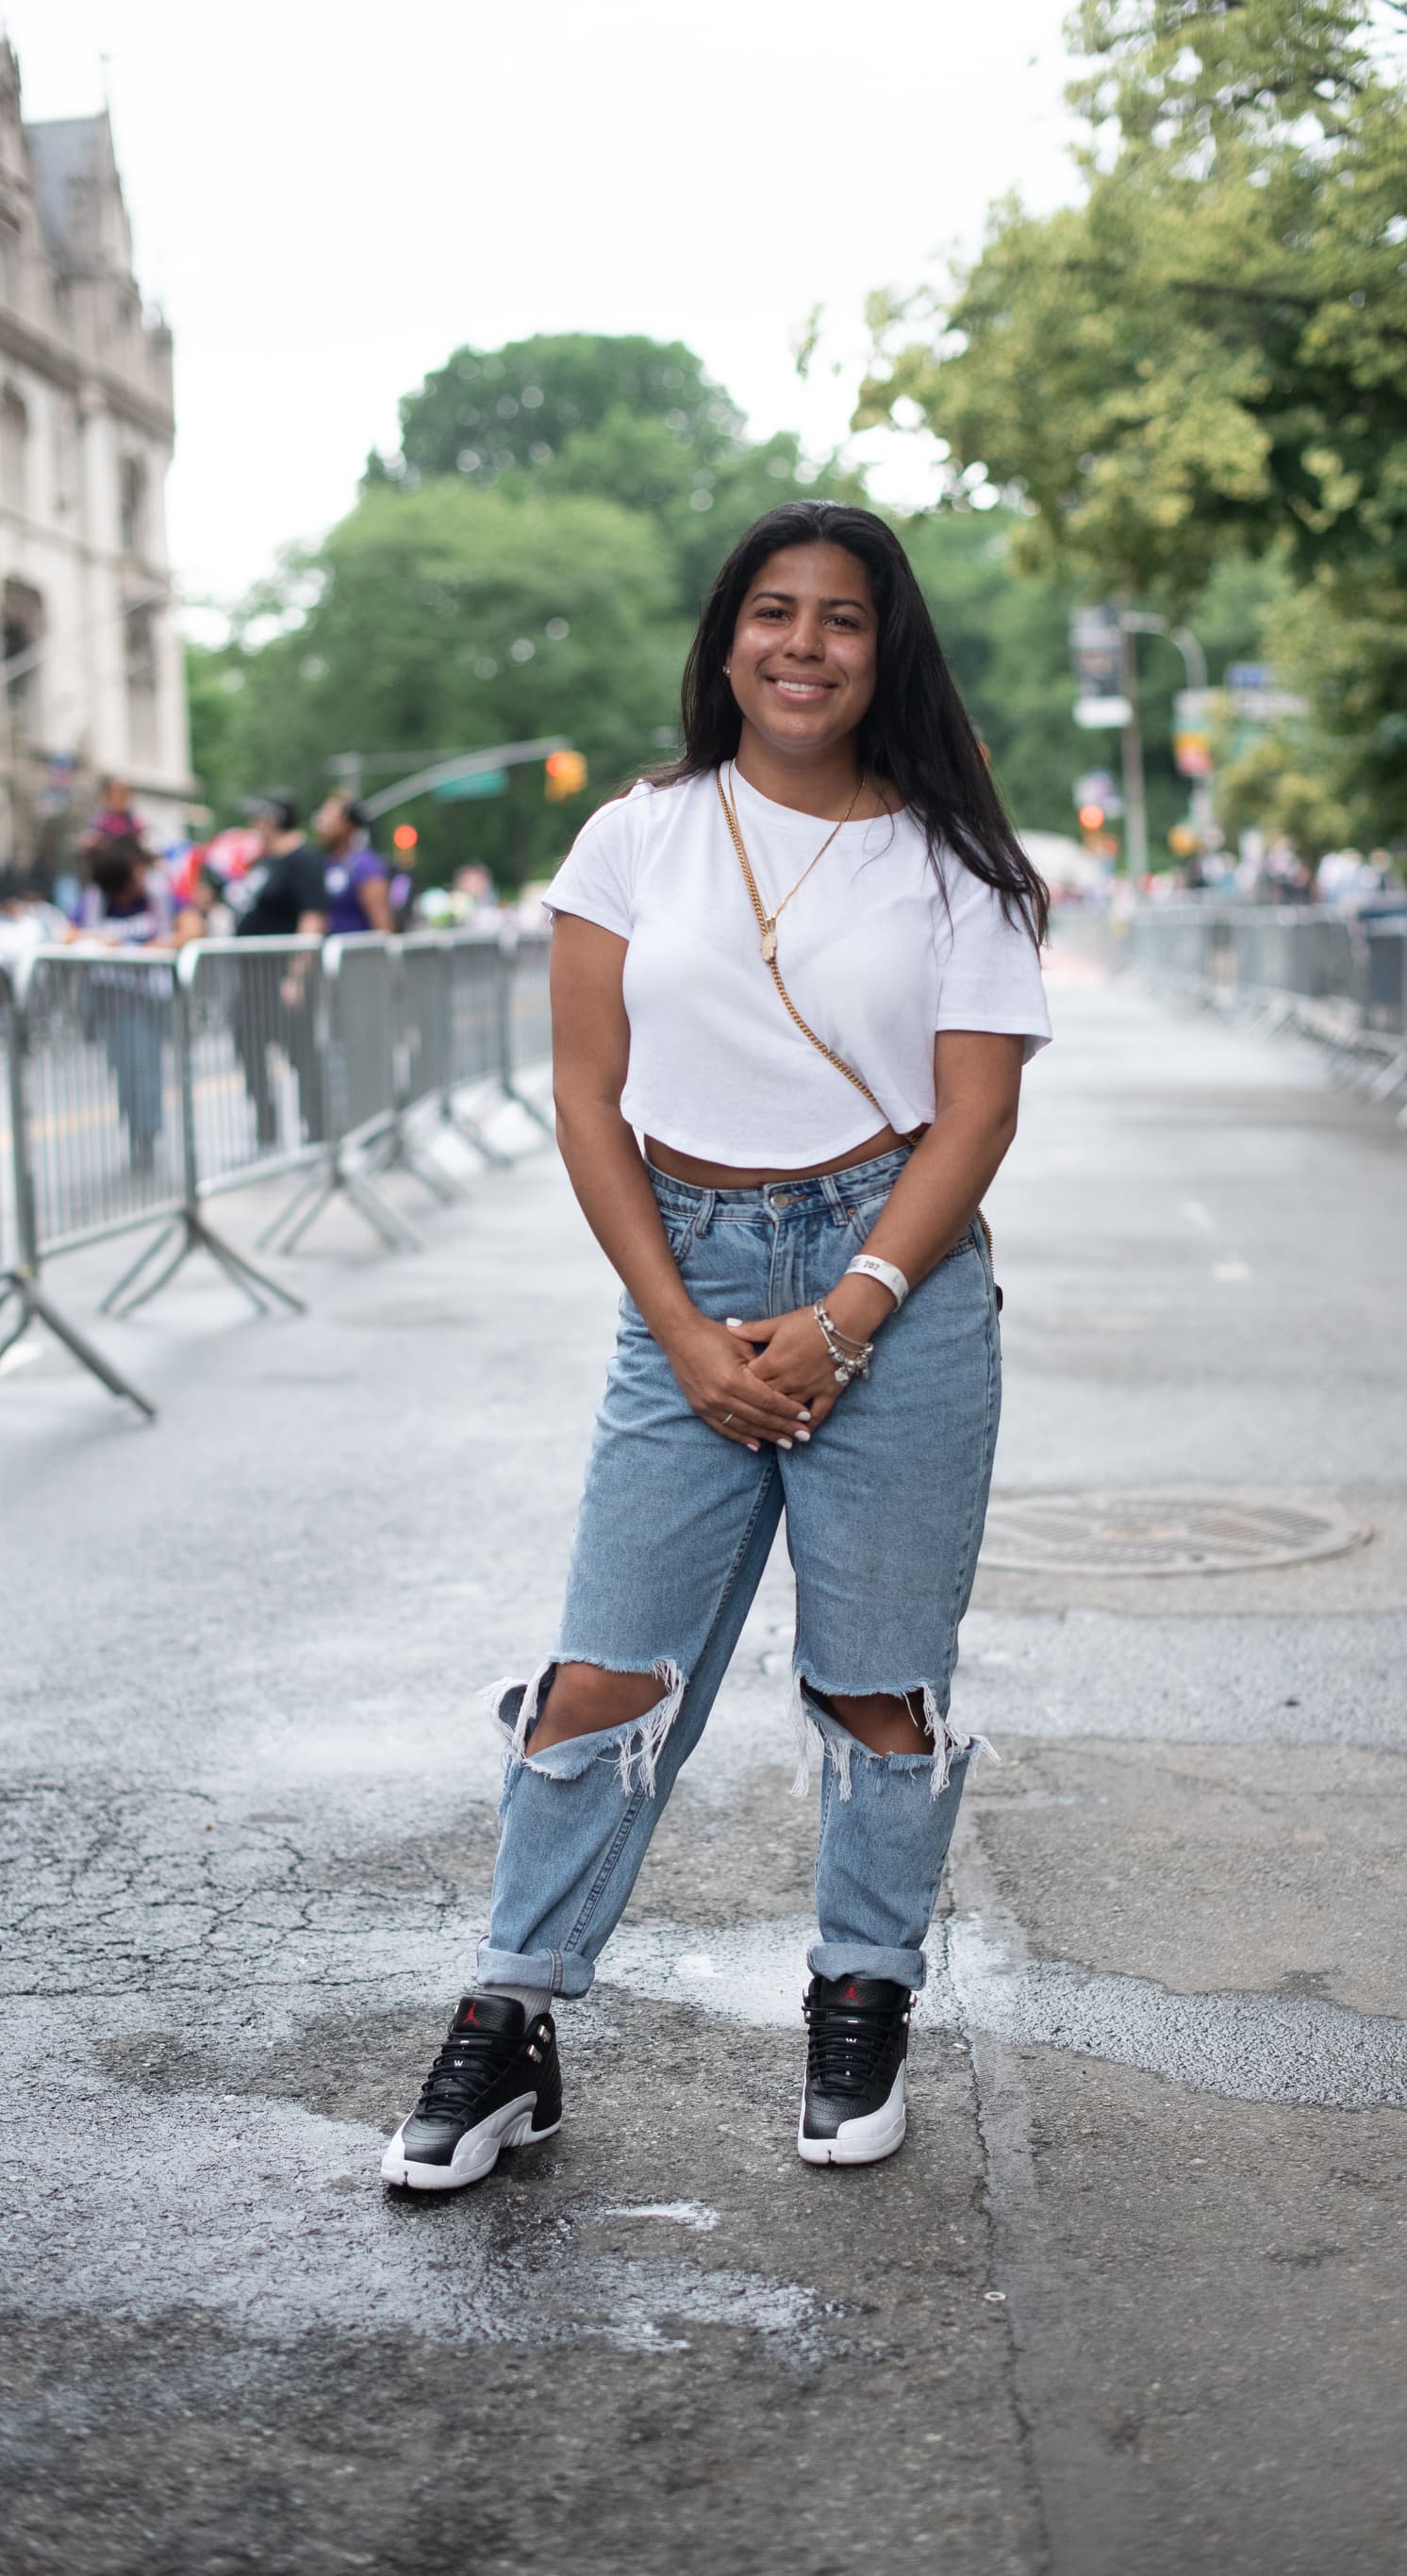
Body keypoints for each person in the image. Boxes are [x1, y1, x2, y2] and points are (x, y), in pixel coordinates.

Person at [382, 501, 1052, 2194]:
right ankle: (512, 2015)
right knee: (606, 1675)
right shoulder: (636, 836)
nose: (804, 644)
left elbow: (974, 1117)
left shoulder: (956, 860)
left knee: (875, 1686)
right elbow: (588, 1101)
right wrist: (683, 1332)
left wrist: (849, 1316)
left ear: (883, 651)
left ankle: (861, 1993)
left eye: (841, 618)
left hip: (894, 1271)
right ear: (727, 638)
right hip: (686, 1260)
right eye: (774, 611)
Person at [68, 836, 200, 1170]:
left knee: (148, 1066)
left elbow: (193, 928)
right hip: (115, 1000)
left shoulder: (160, 891)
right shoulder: (96, 898)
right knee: (129, 1070)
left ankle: (149, 1133)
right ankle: (140, 1132)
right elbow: (67, 932)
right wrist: (97, 940)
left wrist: (156, 946)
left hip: (154, 996)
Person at [226, 795, 330, 1149]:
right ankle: (266, 1129)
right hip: (251, 975)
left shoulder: (303, 860)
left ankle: (316, 1129)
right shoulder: (265, 861)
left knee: (300, 1053)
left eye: (260, 818)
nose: (255, 825)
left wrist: (296, 975)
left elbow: (312, 918)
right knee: (251, 1051)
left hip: (282, 975)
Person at [313, 793, 392, 936]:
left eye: (329, 814)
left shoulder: (365, 866)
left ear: (348, 825)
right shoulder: (324, 864)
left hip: (358, 956)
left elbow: (383, 928)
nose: (320, 821)